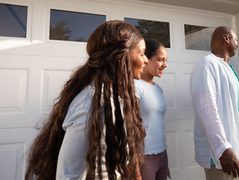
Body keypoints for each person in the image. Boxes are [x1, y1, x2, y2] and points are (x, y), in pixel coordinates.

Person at [24, 20, 148, 180]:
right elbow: (69, 176)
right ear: (120, 57)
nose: (145, 60)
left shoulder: (113, 97)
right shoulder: (89, 106)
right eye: (142, 53)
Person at [190, 26, 239, 180]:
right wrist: (222, 149)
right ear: (226, 38)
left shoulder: (227, 68)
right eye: (235, 39)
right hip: (224, 156)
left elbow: (232, 97)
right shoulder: (206, 65)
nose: (237, 44)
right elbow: (206, 109)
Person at [134, 40, 171, 180]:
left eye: (166, 60)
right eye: (161, 60)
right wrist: (135, 166)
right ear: (146, 59)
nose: (165, 65)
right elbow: (129, 127)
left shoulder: (158, 88)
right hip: (143, 157)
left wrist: (163, 162)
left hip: (162, 154)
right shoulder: (135, 86)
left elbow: (156, 124)